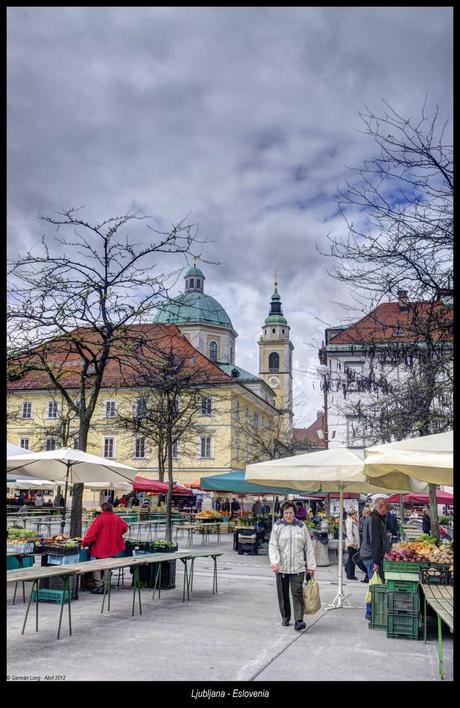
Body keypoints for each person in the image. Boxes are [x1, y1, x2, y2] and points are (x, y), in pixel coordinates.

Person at [269, 501, 316, 631]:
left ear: (295, 513)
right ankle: (285, 617)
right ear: (282, 514)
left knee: (298, 594)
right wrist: (275, 562)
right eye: (286, 513)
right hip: (281, 568)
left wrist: (311, 566)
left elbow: (309, 547)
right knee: (283, 595)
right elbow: (273, 546)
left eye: (291, 512)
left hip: (298, 567)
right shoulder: (277, 526)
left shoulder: (301, 527)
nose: (289, 515)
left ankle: (299, 620)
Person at [82, 502, 129, 594]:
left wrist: (85, 542)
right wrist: (116, 534)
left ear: (102, 509)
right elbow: (125, 527)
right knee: (108, 566)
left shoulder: (100, 519)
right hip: (112, 547)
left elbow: (92, 533)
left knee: (96, 565)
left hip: (100, 546)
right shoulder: (116, 518)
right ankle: (105, 584)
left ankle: (99, 585)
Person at [360, 498, 391, 622]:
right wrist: (377, 562)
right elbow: (375, 542)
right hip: (371, 556)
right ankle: (370, 613)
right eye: (386, 508)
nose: (387, 511)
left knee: (375, 583)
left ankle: (373, 611)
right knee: (374, 584)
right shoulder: (374, 519)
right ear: (380, 506)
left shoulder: (375, 518)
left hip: (370, 555)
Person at [344, 509, 360, 580]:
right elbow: (349, 532)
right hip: (352, 543)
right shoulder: (350, 521)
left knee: (351, 558)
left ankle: (347, 568)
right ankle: (350, 574)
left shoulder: (353, 521)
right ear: (352, 514)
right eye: (355, 514)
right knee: (352, 559)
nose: (356, 515)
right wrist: (352, 542)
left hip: (354, 542)